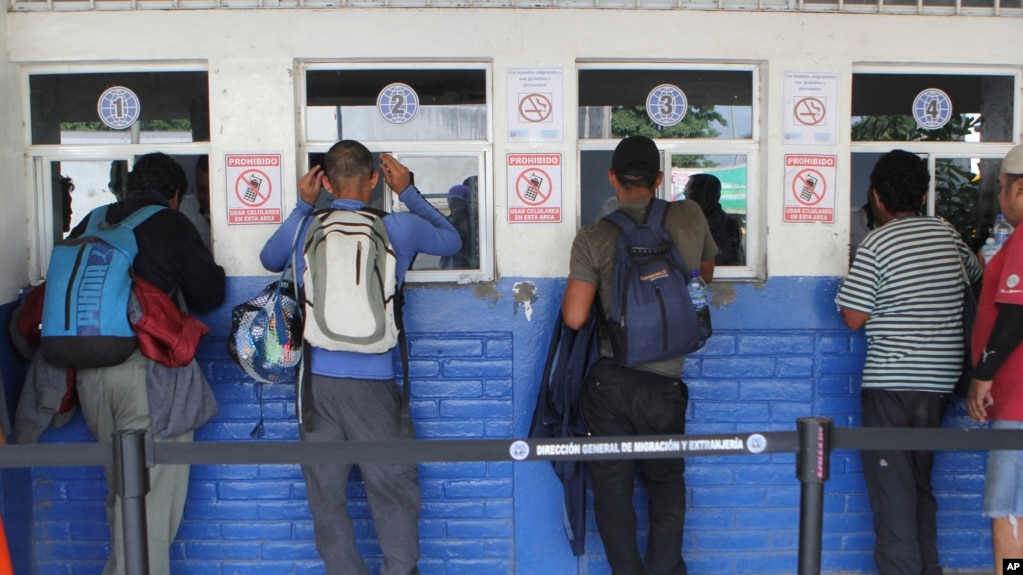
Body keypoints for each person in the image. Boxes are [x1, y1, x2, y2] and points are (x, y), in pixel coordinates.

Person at [259, 140, 461, 575]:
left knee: (326, 495)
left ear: (326, 182)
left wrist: (301, 204)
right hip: (375, 384)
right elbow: (452, 239)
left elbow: (269, 259)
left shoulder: (306, 227)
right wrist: (407, 191)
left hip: (318, 385)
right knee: (393, 489)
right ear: (374, 179)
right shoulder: (399, 229)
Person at [560, 135, 717, 575]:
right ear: (660, 179)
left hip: (610, 382)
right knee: (666, 484)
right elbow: (703, 276)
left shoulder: (594, 235)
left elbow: (574, 317)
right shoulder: (688, 215)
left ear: (613, 178)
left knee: (613, 492)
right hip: (665, 384)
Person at [70, 152, 226, 575]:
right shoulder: (170, 221)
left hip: (89, 375)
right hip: (146, 373)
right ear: (174, 196)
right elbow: (207, 293)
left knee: (123, 498)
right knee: (151, 506)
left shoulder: (92, 220)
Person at [835, 149, 982, 575]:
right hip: (938, 385)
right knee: (919, 485)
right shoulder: (948, 234)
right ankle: (928, 568)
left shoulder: (878, 242)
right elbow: (976, 273)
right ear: (922, 195)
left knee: (892, 492)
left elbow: (853, 317)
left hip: (891, 385)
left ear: (877, 198)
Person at [966, 143, 1023, 575]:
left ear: (1018, 188)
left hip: (1018, 402)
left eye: (1001, 188)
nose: (1000, 198)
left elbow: (1016, 311)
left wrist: (983, 375)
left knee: (1010, 511)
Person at [684, 174, 744, 266]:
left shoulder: (728, 225)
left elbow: (735, 264)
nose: (685, 194)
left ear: (703, 194)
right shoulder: (687, 220)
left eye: (689, 189)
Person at [439, 183, 478, 270]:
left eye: (449, 200)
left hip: (456, 267)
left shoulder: (459, 218)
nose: (449, 203)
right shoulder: (473, 218)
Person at [179, 155, 211, 250]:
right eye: (201, 189)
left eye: (211, 190)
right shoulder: (183, 210)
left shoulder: (238, 212)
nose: (206, 196)